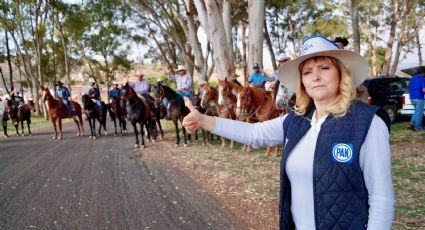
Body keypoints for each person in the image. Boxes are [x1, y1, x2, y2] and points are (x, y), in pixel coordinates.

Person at [182, 36, 395, 229]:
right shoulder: (296, 120)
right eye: (308, 72)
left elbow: (381, 197)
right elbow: (254, 133)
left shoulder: (368, 122)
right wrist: (204, 120)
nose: (316, 77)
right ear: (302, 81)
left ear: (341, 73)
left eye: (325, 68)